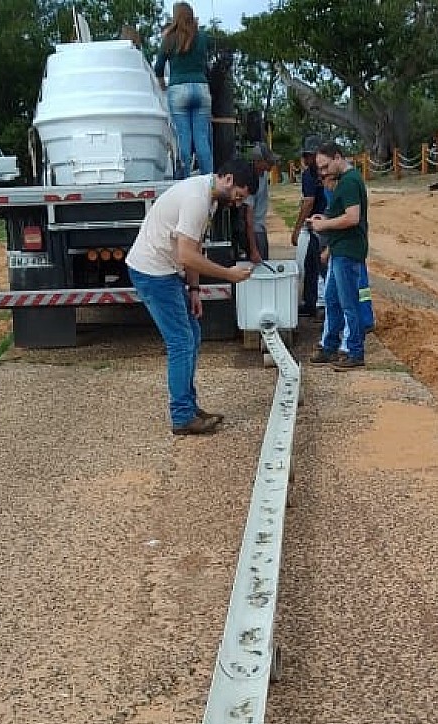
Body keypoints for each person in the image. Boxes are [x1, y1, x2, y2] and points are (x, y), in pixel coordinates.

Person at [125, 158, 257, 435]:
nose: (236, 202)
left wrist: (195, 289)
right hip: (153, 272)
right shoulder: (197, 198)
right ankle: (182, 417)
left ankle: (189, 407)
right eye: (238, 195)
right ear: (229, 179)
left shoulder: (209, 198)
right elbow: (186, 254)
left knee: (192, 336)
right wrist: (228, 275)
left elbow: (194, 248)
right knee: (181, 342)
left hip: (167, 271)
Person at [310, 141, 369, 371]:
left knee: (348, 303)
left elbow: (353, 217)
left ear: (337, 157)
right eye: (321, 169)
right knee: (333, 300)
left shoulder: (350, 182)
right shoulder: (345, 181)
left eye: (325, 167)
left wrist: (324, 227)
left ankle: (355, 351)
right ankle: (331, 346)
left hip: (348, 252)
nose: (323, 172)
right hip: (339, 250)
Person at [154, 2, 213, 176]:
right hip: (201, 89)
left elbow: (158, 67)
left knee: (183, 139)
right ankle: (208, 179)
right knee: (202, 139)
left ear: (175, 16)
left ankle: (184, 179)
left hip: (178, 90)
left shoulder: (169, 39)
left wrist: (162, 83)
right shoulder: (202, 37)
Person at [292, 136, 326, 317]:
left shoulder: (310, 175)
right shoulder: (326, 173)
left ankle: (318, 304)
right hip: (327, 222)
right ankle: (314, 303)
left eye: (307, 156)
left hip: (317, 225)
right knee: (315, 265)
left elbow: (308, 202)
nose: (305, 160)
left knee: (315, 265)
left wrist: (297, 229)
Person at [244, 142, 278, 264]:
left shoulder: (263, 176)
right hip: (255, 232)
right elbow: (249, 219)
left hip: (260, 229)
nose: (271, 164)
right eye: (268, 162)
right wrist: (253, 249)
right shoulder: (251, 180)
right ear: (258, 162)